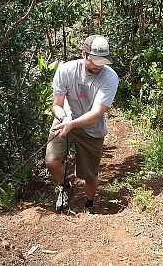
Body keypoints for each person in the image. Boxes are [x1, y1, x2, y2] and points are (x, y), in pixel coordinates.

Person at [45, 35, 119, 214]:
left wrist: (73, 124)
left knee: (89, 174)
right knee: (52, 161)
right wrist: (65, 120)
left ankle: (89, 204)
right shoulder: (66, 70)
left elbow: (97, 113)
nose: (98, 66)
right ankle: (65, 186)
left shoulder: (110, 77)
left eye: (102, 61)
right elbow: (57, 105)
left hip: (92, 128)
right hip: (66, 119)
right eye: (94, 60)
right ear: (84, 54)